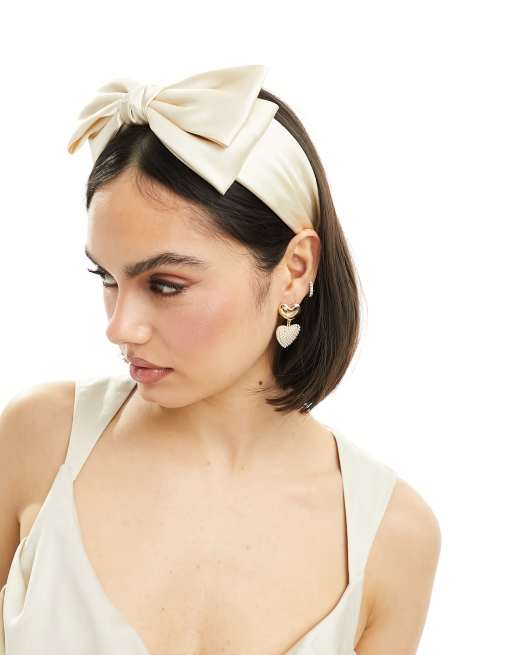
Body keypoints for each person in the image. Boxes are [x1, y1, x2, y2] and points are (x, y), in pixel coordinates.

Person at [0, 65, 441, 654]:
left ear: (295, 269)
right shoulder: (38, 443)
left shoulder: (391, 537)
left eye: (165, 285)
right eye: (107, 277)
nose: (119, 327)